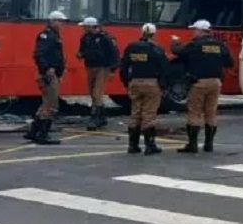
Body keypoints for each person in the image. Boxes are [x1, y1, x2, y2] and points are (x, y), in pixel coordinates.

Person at [171, 19, 233, 154]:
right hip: (215, 83)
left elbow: (179, 52)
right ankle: (209, 144)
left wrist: (175, 42)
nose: (193, 32)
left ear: (200, 31)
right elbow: (229, 62)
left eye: (194, 30)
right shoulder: (220, 45)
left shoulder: (195, 45)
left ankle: (192, 145)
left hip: (199, 83)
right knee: (211, 113)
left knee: (194, 112)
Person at [119, 23, 168, 154]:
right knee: (149, 114)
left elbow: (124, 66)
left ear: (142, 33)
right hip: (152, 83)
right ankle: (150, 145)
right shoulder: (157, 49)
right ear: (154, 34)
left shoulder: (131, 47)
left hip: (135, 82)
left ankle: (132, 145)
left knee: (135, 113)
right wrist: (163, 86)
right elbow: (164, 69)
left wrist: (126, 82)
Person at [25, 10, 67, 145]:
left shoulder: (53, 35)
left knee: (45, 103)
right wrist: (47, 69)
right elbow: (38, 54)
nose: (62, 24)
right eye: (60, 21)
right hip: (48, 74)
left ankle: (33, 131)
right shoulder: (47, 36)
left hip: (51, 73)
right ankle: (43, 134)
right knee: (51, 104)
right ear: (53, 21)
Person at [77, 16, 119, 131]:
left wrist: (112, 70)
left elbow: (114, 54)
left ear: (91, 27)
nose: (83, 29)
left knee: (97, 93)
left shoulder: (106, 38)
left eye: (85, 27)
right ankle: (102, 116)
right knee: (92, 93)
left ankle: (95, 117)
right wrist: (81, 54)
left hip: (103, 67)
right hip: (90, 66)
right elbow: (83, 49)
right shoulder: (85, 38)